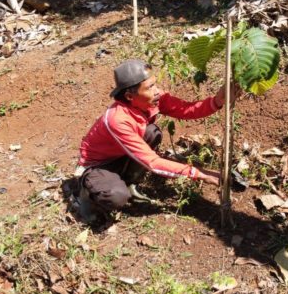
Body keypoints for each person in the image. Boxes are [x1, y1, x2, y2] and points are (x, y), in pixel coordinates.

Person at [74, 59, 240, 222]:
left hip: (122, 154)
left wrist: (218, 101)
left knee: (152, 133)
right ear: (129, 96)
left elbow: (185, 110)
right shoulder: (118, 119)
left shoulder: (151, 101)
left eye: (155, 84)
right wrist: (199, 174)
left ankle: (127, 181)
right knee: (117, 196)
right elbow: (152, 162)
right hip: (98, 165)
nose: (157, 91)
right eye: (150, 87)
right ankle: (87, 196)